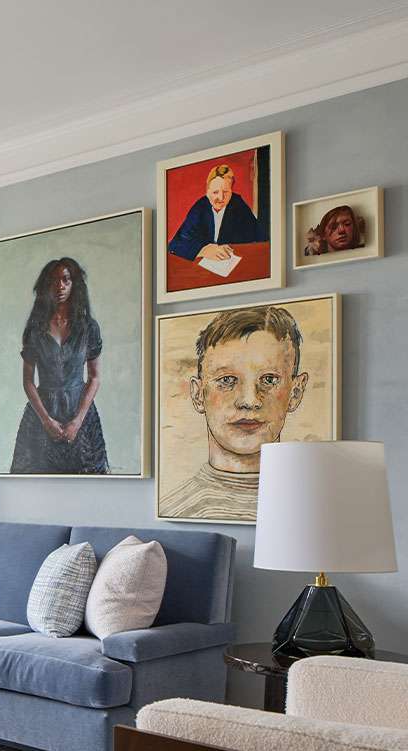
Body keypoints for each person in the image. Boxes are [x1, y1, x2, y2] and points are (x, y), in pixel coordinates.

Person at [161, 306, 309, 521]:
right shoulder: (175, 508)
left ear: (295, 392)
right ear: (198, 394)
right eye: (227, 380)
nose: (249, 401)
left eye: (269, 380)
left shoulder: (316, 506)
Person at [10, 257, 109, 474]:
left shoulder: (88, 327)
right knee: (34, 481)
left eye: (66, 280)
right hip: (41, 414)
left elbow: (94, 377)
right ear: (46, 285)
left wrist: (77, 421)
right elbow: (28, 381)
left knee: (89, 478)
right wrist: (46, 421)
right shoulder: (35, 329)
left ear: (74, 284)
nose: (60, 286)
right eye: (54, 280)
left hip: (80, 413)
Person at [167, 164, 262, 262]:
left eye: (226, 192)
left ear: (231, 191)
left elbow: (259, 238)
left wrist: (233, 247)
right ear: (207, 192)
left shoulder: (238, 204)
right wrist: (203, 250)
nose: (221, 198)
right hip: (204, 266)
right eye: (215, 192)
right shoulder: (200, 207)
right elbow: (175, 244)